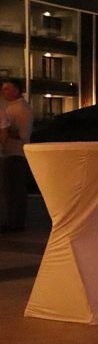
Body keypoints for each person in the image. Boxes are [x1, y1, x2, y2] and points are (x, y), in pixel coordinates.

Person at [1, 78, 33, 232]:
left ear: (16, 90)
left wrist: (5, 132)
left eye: (7, 89)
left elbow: (24, 135)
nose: (4, 92)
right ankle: (13, 221)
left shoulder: (21, 109)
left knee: (14, 189)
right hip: (11, 153)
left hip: (17, 154)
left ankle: (15, 223)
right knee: (11, 190)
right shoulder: (12, 108)